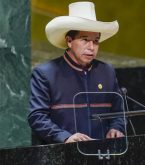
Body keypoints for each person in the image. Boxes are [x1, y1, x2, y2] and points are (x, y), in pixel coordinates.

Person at [28, 2, 125, 144]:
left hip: (102, 155)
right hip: (61, 155)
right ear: (69, 41)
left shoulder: (107, 72)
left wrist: (116, 127)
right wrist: (65, 137)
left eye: (96, 41)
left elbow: (118, 112)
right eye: (85, 40)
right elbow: (36, 117)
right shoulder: (45, 74)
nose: (91, 47)